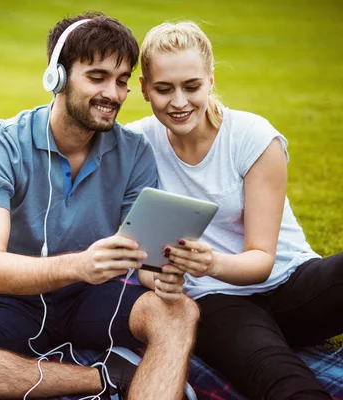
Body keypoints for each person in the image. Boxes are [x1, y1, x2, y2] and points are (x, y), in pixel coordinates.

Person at [0, 12, 200, 400]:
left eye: (122, 80)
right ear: (56, 76)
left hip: (97, 299)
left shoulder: (135, 153)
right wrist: (79, 265)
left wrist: (162, 275)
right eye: (97, 77)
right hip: (18, 305)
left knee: (179, 312)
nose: (113, 93)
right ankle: (109, 379)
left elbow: (144, 264)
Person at [126, 21, 343, 399]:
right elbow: (145, 259)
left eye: (191, 86)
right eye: (164, 89)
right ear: (144, 88)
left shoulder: (253, 138)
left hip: (288, 283)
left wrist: (212, 263)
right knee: (277, 373)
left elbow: (260, 259)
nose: (179, 102)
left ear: (210, 80)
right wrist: (159, 279)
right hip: (214, 302)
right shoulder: (136, 145)